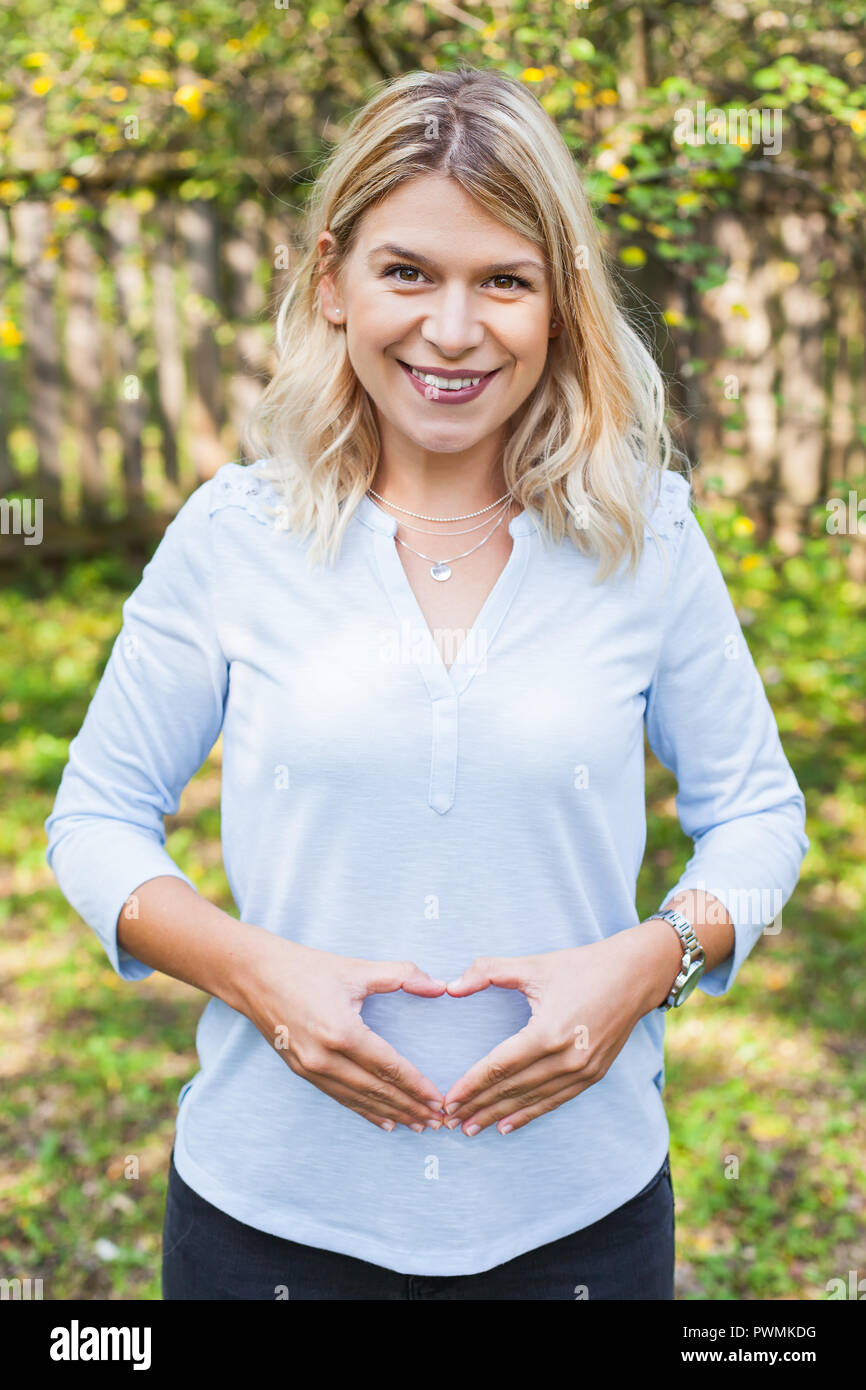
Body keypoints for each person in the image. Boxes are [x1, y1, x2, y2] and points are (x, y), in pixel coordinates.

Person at [44, 66, 809, 1301]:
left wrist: (652, 959)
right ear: (332, 280)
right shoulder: (233, 534)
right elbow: (92, 820)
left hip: (577, 1221)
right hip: (268, 1221)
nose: (451, 331)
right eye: (408, 272)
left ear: (557, 303)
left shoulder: (647, 537)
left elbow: (760, 813)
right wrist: (255, 974)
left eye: (501, 281)